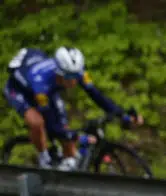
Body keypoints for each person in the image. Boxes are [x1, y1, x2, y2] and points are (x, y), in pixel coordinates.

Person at [4, 46, 139, 170]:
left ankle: (67, 170)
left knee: (66, 134)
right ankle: (44, 159)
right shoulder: (40, 80)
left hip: (49, 91)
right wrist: (77, 137)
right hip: (20, 91)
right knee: (37, 122)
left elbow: (96, 94)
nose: (73, 81)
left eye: (75, 77)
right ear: (58, 73)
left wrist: (121, 113)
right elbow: (50, 121)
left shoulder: (77, 71)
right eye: (68, 77)